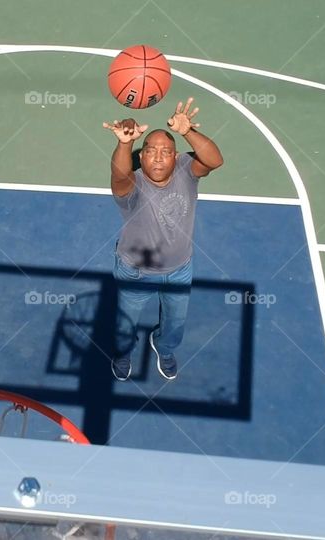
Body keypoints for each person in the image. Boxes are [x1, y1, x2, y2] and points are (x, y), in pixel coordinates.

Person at [102, 97, 224, 381]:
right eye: (151, 150)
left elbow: (215, 160)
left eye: (166, 151)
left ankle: (164, 347)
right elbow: (118, 174)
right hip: (135, 271)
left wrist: (188, 132)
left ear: (177, 156)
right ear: (141, 157)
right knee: (125, 323)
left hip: (180, 268)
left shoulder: (187, 171)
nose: (158, 156)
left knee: (176, 321)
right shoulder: (132, 185)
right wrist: (124, 143)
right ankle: (122, 352)